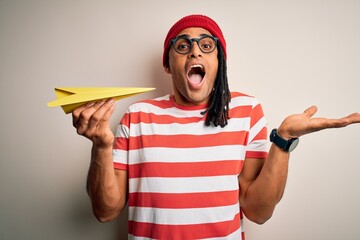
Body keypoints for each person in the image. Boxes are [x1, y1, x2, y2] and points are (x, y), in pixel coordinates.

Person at [72, 15, 360, 240]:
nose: (195, 52)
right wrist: (101, 146)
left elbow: (258, 212)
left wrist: (284, 140)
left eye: (206, 45)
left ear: (219, 61)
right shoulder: (137, 115)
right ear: (168, 65)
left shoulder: (246, 111)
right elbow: (105, 211)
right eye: (182, 46)